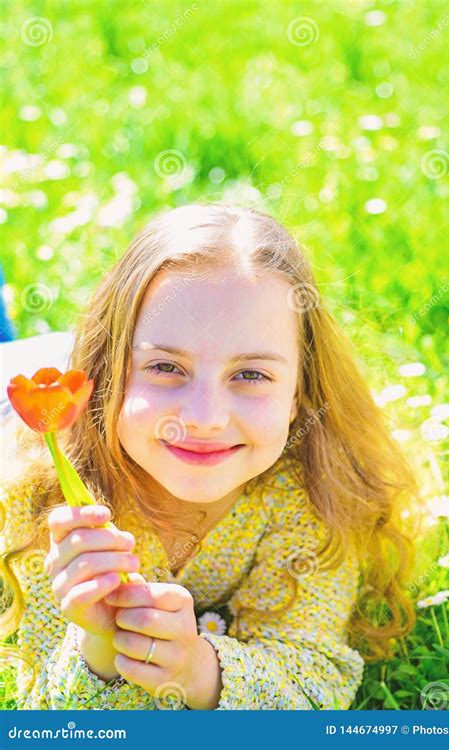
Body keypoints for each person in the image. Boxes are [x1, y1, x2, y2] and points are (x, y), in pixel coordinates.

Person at [0, 202, 418, 710]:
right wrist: (99, 648)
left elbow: (313, 681)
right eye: (165, 367)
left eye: (250, 374)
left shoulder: (313, 494)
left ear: (297, 397)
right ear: (106, 374)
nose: (204, 417)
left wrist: (200, 670)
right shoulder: (49, 498)